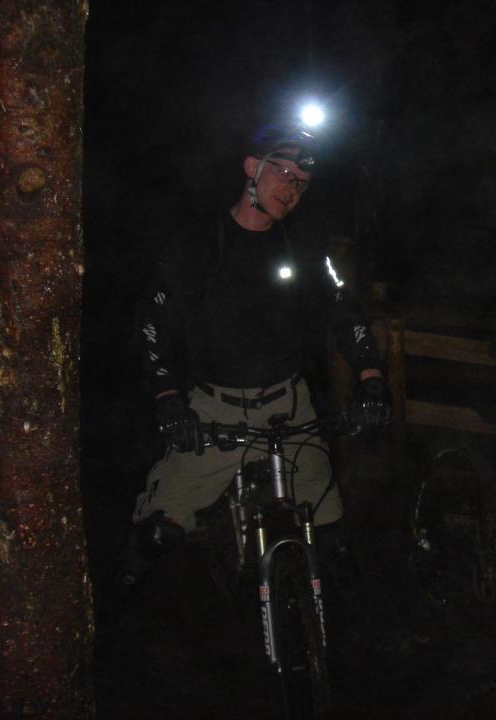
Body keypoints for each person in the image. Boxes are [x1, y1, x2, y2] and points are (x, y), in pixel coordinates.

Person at [122, 124, 390, 585]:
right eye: (284, 173)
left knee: (333, 539)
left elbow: (344, 311)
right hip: (215, 410)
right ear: (252, 167)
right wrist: (168, 398)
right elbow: (152, 323)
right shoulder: (198, 245)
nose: (292, 189)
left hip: (289, 404)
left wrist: (371, 378)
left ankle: (337, 621)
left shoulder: (302, 248)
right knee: (157, 535)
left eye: (301, 183)